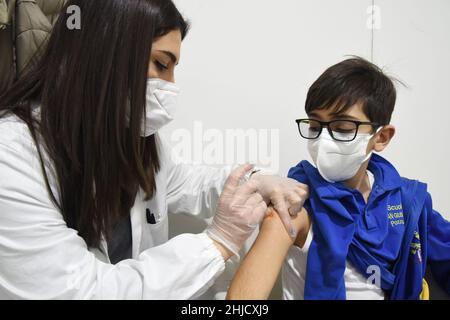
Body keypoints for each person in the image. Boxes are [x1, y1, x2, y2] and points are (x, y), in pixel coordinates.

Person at [0, 0, 309, 299]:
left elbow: (188, 182)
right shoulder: (12, 155)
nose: (170, 85)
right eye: (161, 64)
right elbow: (80, 292)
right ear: (105, 52)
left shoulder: (131, 138)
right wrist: (216, 242)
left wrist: (255, 181)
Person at [227, 57, 450, 300]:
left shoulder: (408, 201)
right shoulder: (294, 207)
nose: (324, 140)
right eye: (314, 125)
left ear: (382, 137)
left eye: (343, 128)